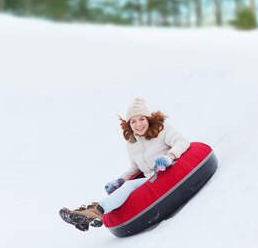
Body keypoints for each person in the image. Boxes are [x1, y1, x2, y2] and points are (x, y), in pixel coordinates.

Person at [59, 97, 190, 232]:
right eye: (133, 121)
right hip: (150, 180)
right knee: (127, 187)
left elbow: (182, 142)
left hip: (168, 173)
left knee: (129, 186)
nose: (138, 124)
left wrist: (169, 157)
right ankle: (89, 217)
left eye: (142, 119)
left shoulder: (162, 130)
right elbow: (135, 169)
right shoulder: (132, 144)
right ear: (129, 124)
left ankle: (94, 211)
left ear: (148, 118)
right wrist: (120, 180)